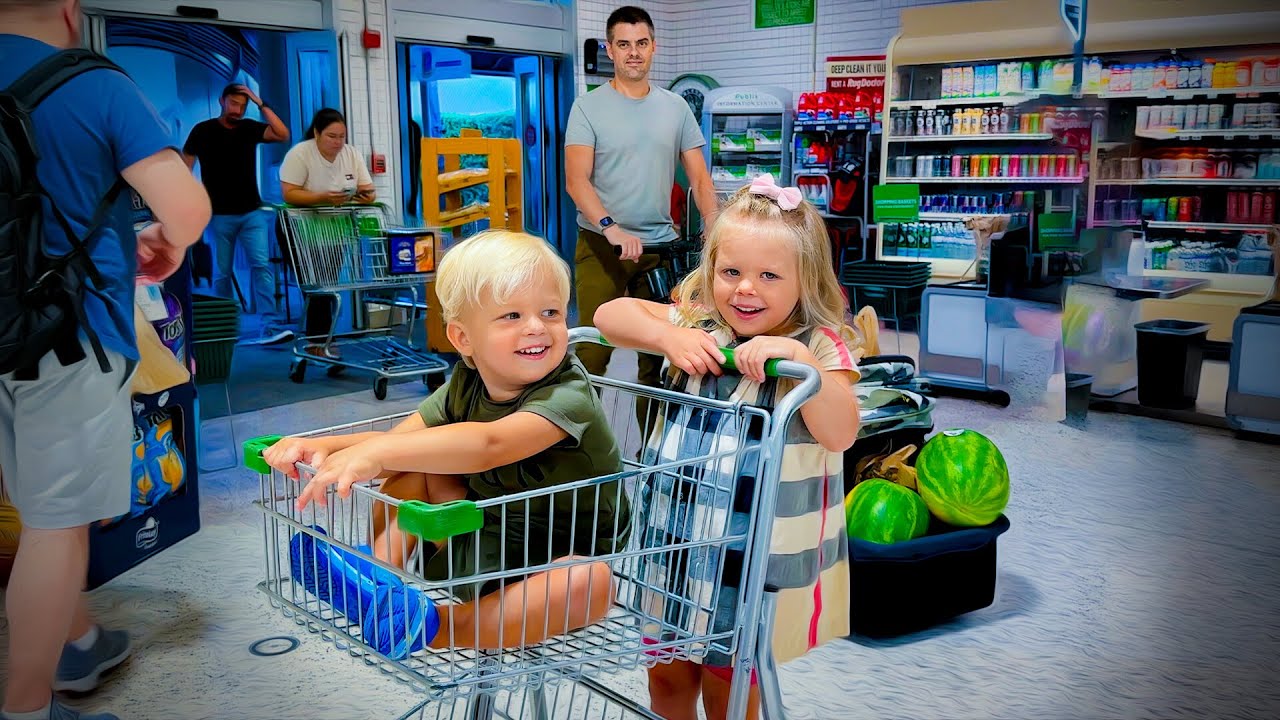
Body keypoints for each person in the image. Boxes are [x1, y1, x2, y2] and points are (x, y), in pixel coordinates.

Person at [263, 230, 629, 650]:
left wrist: (373, 452)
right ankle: (380, 578)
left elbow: (490, 443)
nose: (536, 328)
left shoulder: (569, 394)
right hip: (480, 539)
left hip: (552, 563)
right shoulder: (466, 383)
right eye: (511, 316)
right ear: (462, 339)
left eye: (551, 312)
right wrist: (329, 446)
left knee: (592, 580)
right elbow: (401, 442)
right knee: (419, 456)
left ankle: (436, 626)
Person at [0, 1, 212, 718]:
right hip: (64, 335)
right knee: (55, 524)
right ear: (68, 11)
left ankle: (80, 636)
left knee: (31, 502)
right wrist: (163, 239)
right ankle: (29, 703)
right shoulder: (92, 84)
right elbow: (185, 211)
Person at [594, 175, 862, 720]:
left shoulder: (815, 346)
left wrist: (801, 363)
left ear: (804, 280)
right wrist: (669, 337)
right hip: (673, 543)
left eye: (769, 275)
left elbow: (841, 432)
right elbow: (608, 316)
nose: (745, 289)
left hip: (747, 562)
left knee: (729, 693)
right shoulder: (701, 325)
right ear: (709, 271)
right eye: (731, 272)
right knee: (666, 683)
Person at [565, 5, 718, 389]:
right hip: (602, 247)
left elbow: (700, 178)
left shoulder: (675, 107)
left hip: (659, 251)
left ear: (654, 47)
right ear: (610, 49)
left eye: (642, 43)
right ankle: (581, 442)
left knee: (660, 361)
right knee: (593, 351)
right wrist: (611, 229)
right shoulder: (587, 107)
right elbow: (577, 182)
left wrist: (716, 232)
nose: (633, 51)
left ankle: (651, 447)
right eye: (624, 44)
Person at [183, 81, 290, 344]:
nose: (238, 109)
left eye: (242, 106)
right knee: (221, 272)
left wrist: (259, 101)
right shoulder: (203, 131)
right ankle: (223, 327)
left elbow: (282, 134)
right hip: (219, 215)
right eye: (233, 103)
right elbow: (184, 167)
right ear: (222, 101)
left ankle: (269, 324)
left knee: (261, 267)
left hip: (251, 212)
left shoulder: (248, 129)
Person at [277, 107, 376, 358]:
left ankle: (323, 340)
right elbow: (289, 194)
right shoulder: (300, 154)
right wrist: (322, 197)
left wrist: (358, 197)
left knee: (330, 283)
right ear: (317, 133)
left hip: (334, 228)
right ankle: (318, 341)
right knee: (315, 284)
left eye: (342, 136)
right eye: (332, 136)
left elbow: (368, 190)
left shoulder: (351, 154)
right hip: (300, 227)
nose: (337, 142)